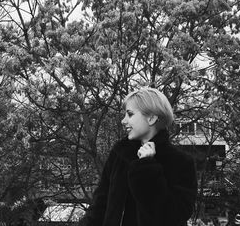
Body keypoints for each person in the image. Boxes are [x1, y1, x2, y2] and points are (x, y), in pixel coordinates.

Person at [79, 87, 197, 226]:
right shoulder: (120, 154)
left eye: (130, 114)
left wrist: (147, 169)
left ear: (151, 118)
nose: (123, 121)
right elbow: (99, 207)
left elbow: (173, 216)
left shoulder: (180, 162)